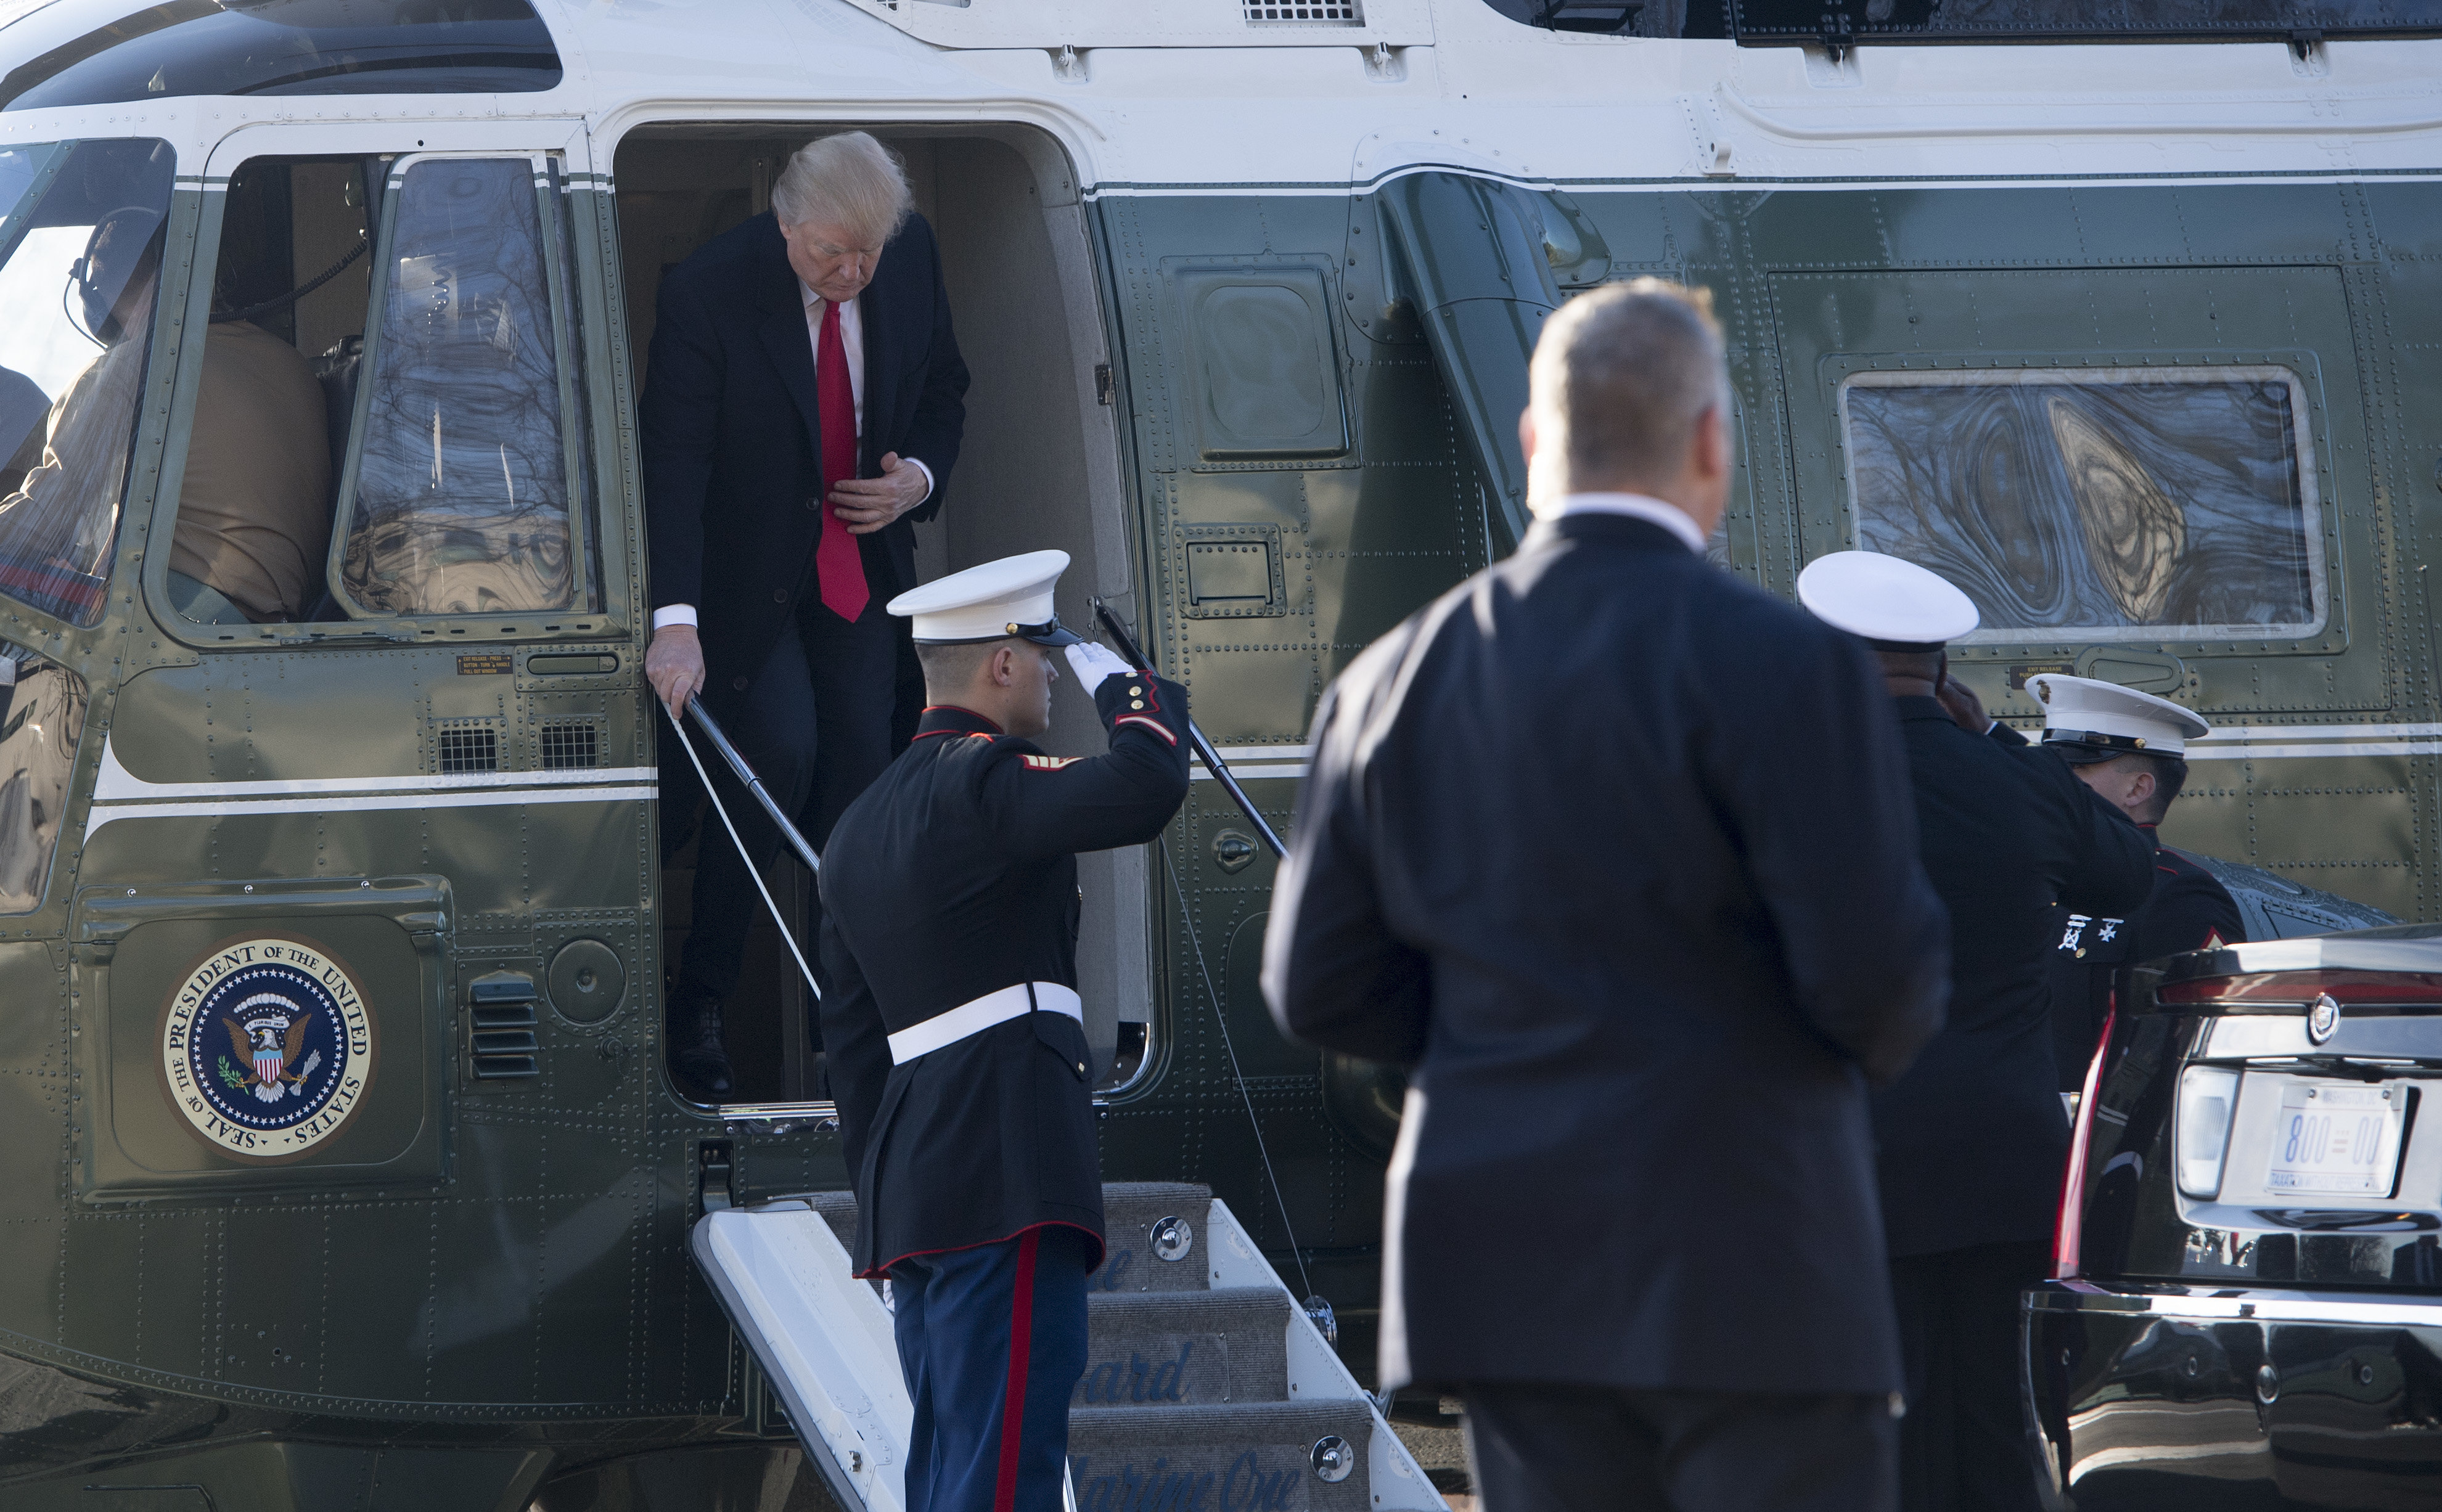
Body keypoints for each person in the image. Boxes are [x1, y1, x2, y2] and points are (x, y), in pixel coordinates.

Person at [1262, 280, 1949, 1512]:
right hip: (1755, 1241)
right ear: (1709, 442)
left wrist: (1499, 1050)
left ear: (1535, 442)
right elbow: (1876, 980)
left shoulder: (1386, 680)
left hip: (1506, 1266)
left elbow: (1317, 982)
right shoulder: (1790, 664)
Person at [816, 550, 1189, 1512]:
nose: (1057, 674)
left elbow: (854, 1051)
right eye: (1047, 654)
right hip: (1006, 1174)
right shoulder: (987, 782)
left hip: (918, 1195)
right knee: (1004, 1478)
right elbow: (1145, 785)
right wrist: (1137, 690)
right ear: (1003, 665)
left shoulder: (856, 828)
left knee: (950, 1471)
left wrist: (884, 1200)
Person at [1797, 552, 2157, 1512]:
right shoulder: (2021, 782)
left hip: (1846, 1159)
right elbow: (2127, 872)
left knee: (1876, 1429)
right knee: (2000, 1422)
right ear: (1942, 669)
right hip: (2002, 1158)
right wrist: (1998, 738)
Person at [641, 130, 970, 1098]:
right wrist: (676, 618)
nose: (852, 271)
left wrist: (916, 477)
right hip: (744, 582)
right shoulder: (707, 290)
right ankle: (701, 997)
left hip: (858, 570)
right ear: (784, 226)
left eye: (866, 253)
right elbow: (675, 465)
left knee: (863, 778)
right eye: (831, 254)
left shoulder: (902, 258)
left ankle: (852, 1022)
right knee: (776, 754)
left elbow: (946, 391)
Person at [2030, 674, 2245, 1088]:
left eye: (2075, 770)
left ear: (2137, 788)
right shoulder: (2039, 877)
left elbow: (2184, 1056)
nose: (2052, 784)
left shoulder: (2180, 898)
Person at [165, 316, 332, 625]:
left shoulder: (133, 367)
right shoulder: (288, 359)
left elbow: (49, 519)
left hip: (190, 624)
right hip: (283, 622)